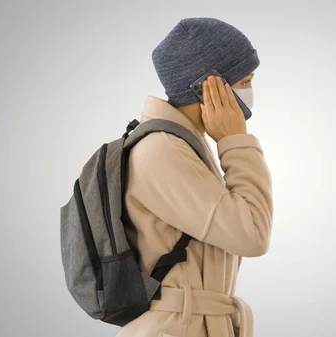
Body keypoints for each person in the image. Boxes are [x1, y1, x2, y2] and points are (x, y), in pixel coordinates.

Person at [114, 17, 273, 337]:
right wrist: (235, 141)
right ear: (207, 87)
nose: (251, 91)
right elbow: (252, 235)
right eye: (245, 81)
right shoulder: (162, 151)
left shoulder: (184, 147)